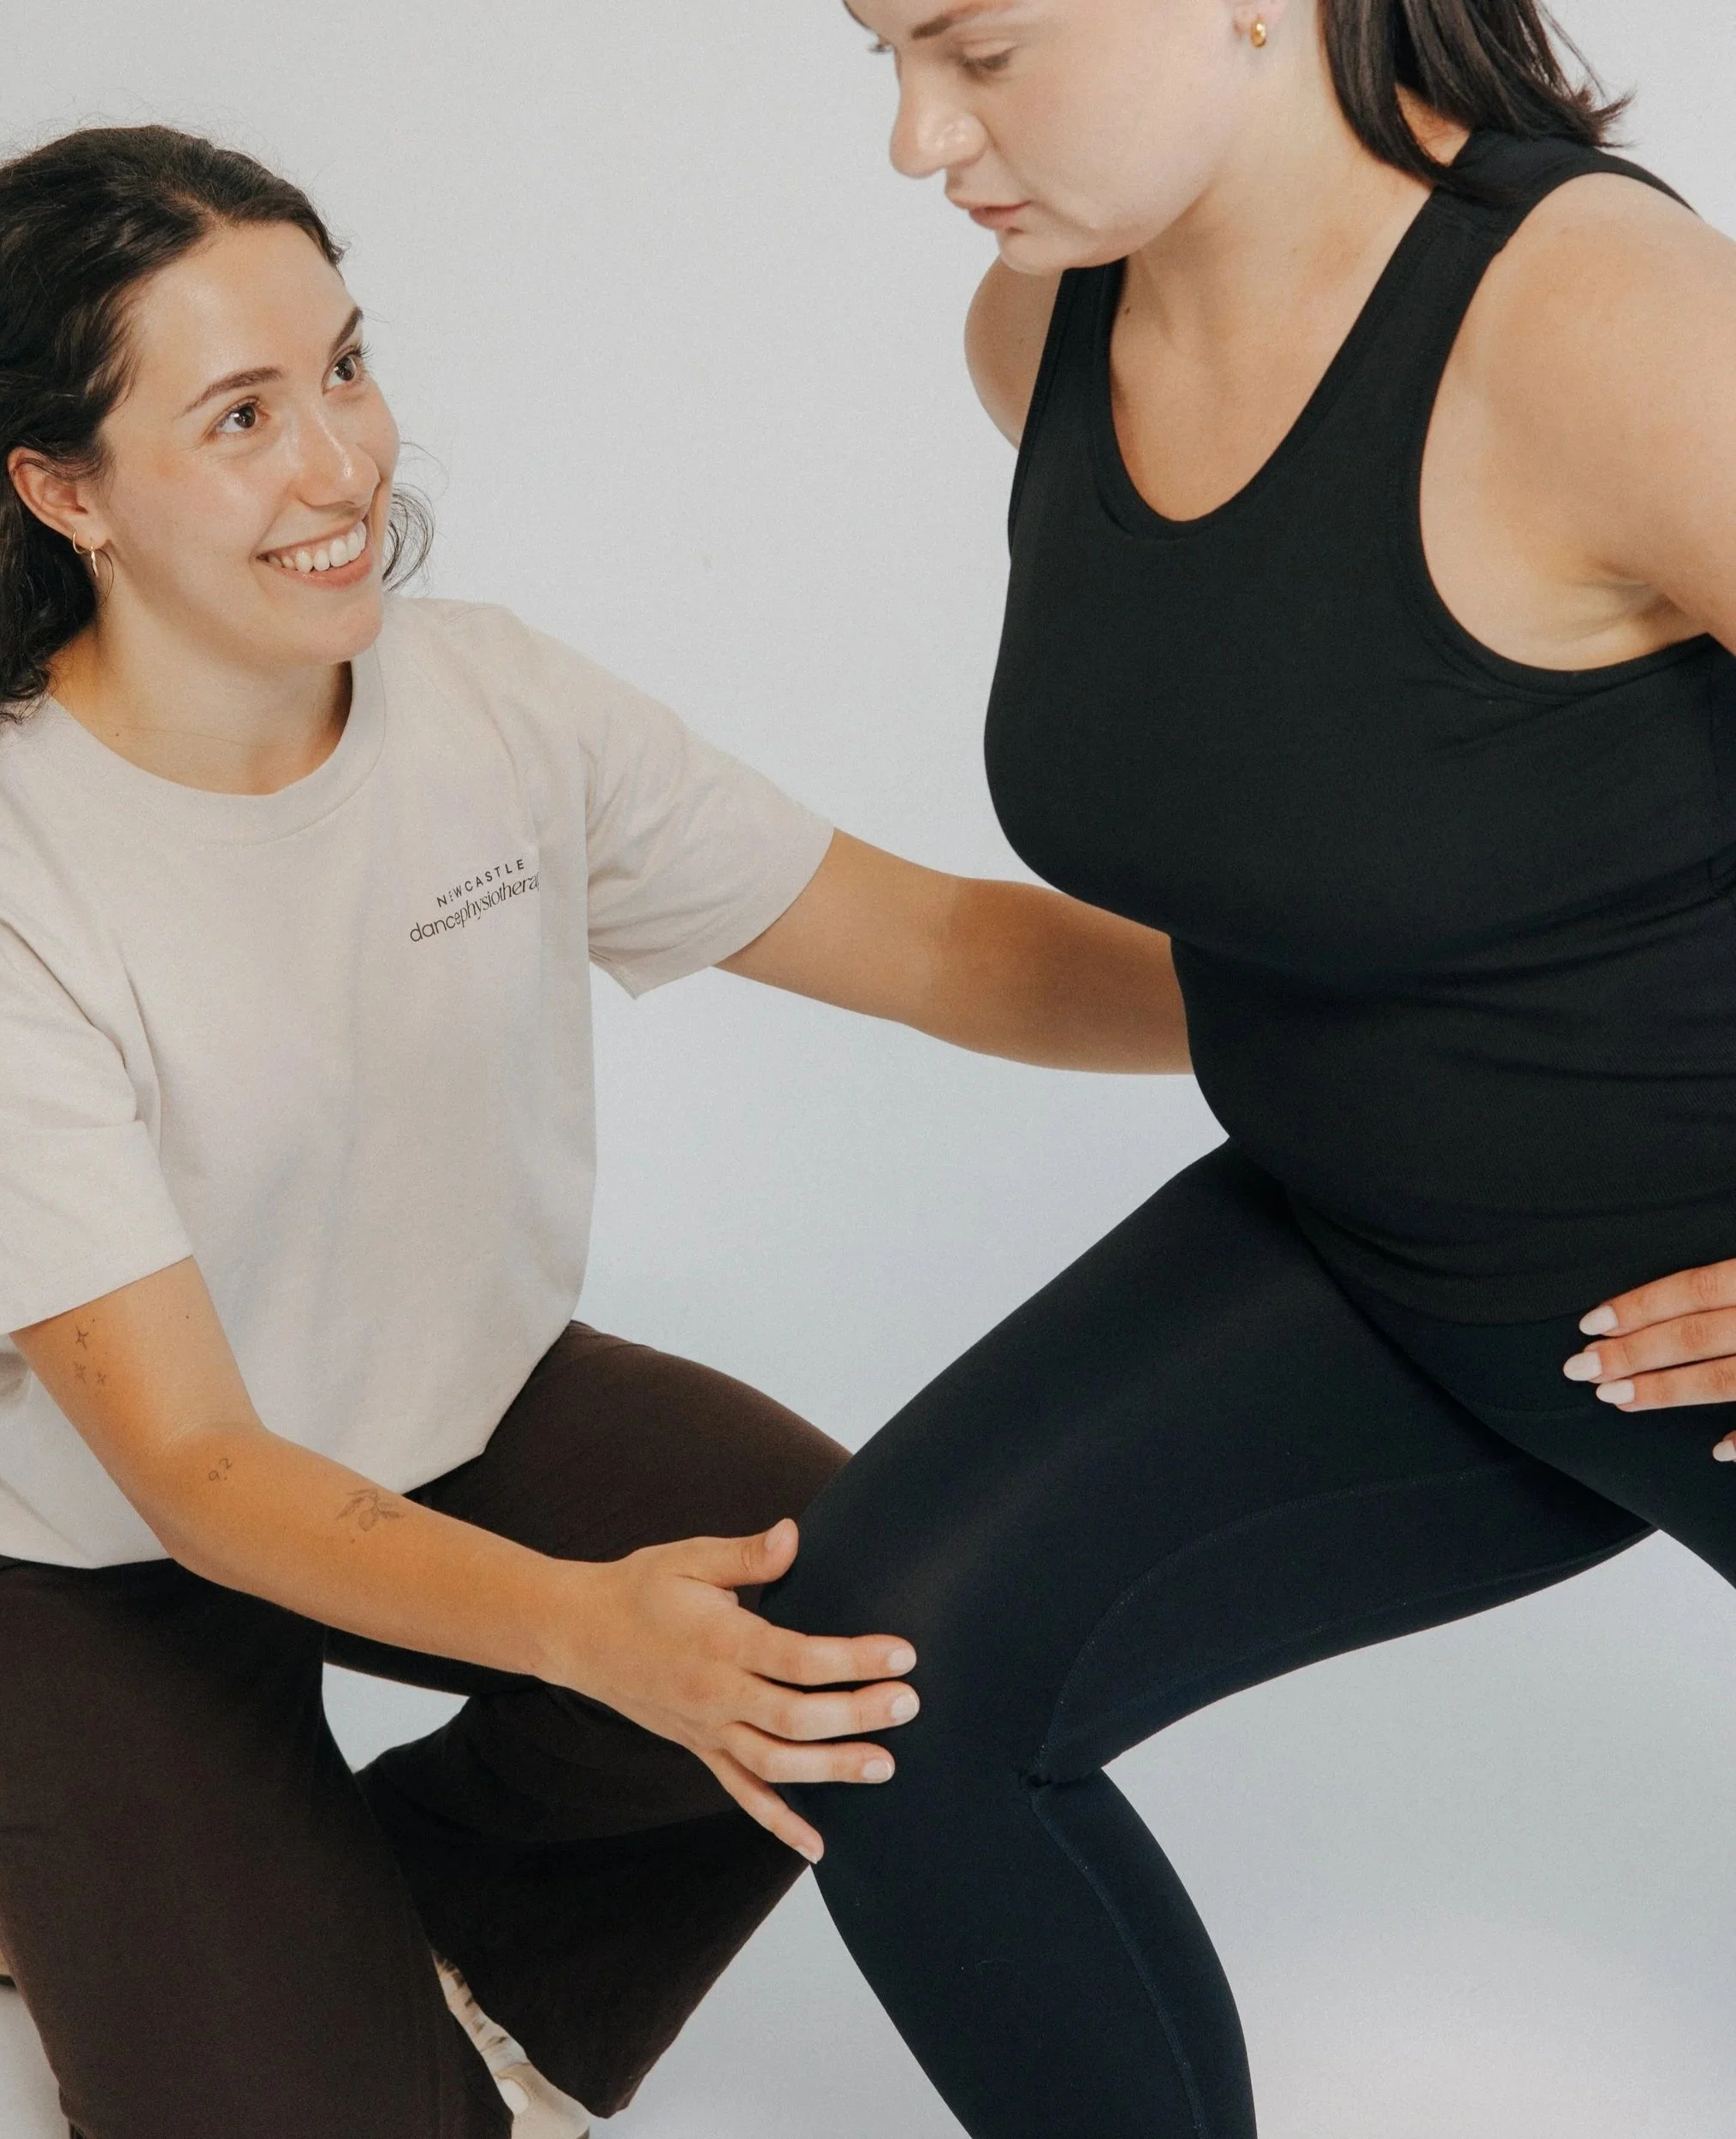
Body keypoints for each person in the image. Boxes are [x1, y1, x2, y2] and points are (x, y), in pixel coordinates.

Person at [0, 127, 1190, 2139]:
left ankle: (380, 1915)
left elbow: (940, 944)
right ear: (65, 488)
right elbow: (202, 1469)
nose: (338, 463)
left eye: (342, 365)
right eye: (239, 415)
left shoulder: (492, 703)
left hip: (450, 1416)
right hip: (100, 1554)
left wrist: (1352, 1014)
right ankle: (65, 1865)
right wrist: (596, 1636)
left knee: (868, 1627)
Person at [758, 3, 1736, 2134]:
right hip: (1371, 1258)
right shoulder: (1043, 331)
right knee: (873, 1681)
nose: (916, 135)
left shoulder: (1596, 316)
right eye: (878, 52)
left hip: (1689, 1295)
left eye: (977, 49)